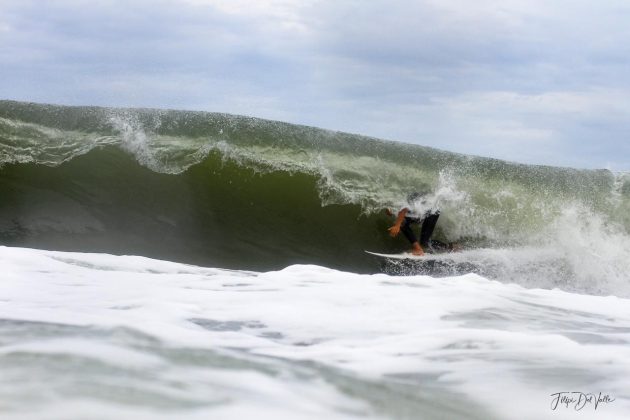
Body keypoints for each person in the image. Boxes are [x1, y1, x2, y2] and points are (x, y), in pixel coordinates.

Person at [387, 191, 455, 255]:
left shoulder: (401, 201)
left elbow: (404, 209)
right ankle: (450, 247)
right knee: (425, 242)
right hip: (423, 211)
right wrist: (391, 213)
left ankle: (418, 249)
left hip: (432, 211)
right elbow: (398, 211)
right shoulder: (394, 202)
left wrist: (397, 225)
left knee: (402, 223)